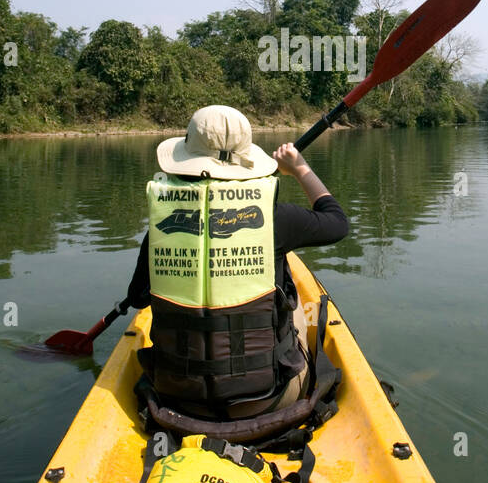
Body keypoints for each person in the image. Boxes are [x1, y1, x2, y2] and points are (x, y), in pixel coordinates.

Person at [126, 104, 349, 423]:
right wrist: (300, 169)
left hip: (175, 398)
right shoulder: (276, 220)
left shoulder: (166, 222)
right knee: (296, 303)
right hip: (267, 402)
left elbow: (138, 299)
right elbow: (338, 223)